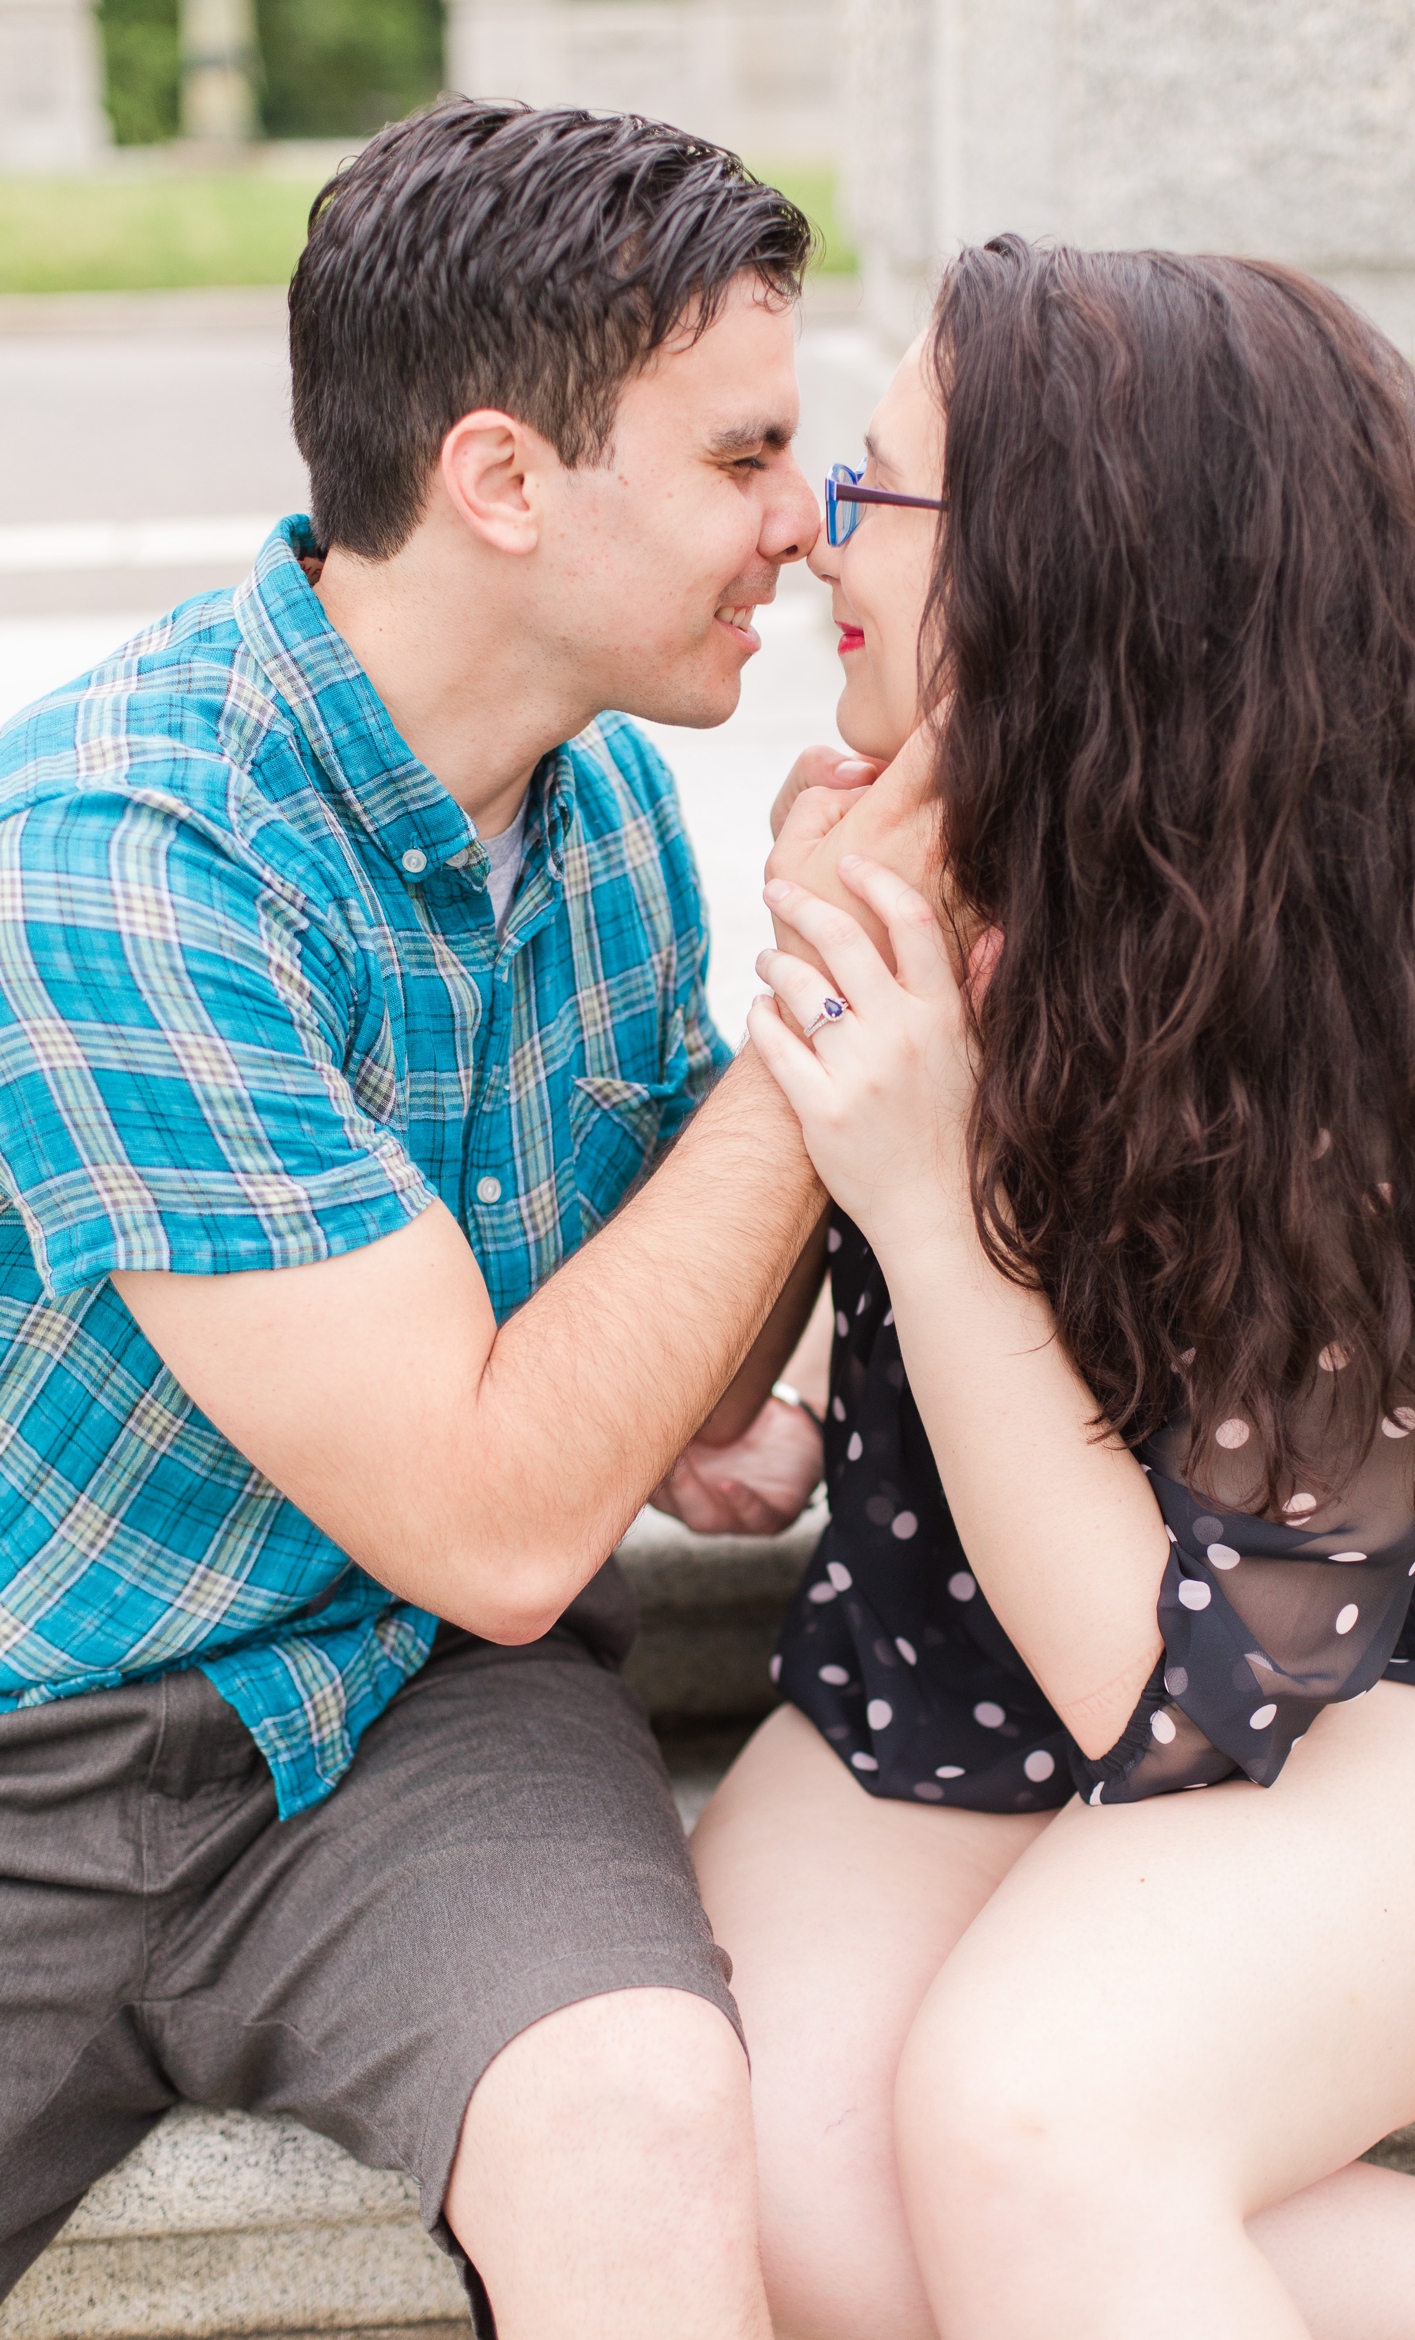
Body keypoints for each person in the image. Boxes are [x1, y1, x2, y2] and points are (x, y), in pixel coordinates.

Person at [0, 97, 832, 2340]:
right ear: (501, 481)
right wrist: (825, 1025)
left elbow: (644, 1403)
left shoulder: (613, 808)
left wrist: (716, 1377)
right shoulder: (115, 859)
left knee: (650, 2112)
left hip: (421, 1713)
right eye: (745, 459)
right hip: (37, 1751)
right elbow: (493, 1500)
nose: (810, 523)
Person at [691, 240, 1415, 2339]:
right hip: (958, 1622)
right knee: (775, 2181)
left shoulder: (1355, 999)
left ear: (1058, 580)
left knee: (1034, 2123)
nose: (815, 539)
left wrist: (906, 1182)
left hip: (1399, 1689)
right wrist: (802, 1350)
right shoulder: (932, 862)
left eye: (870, 493)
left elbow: (1190, 1697)